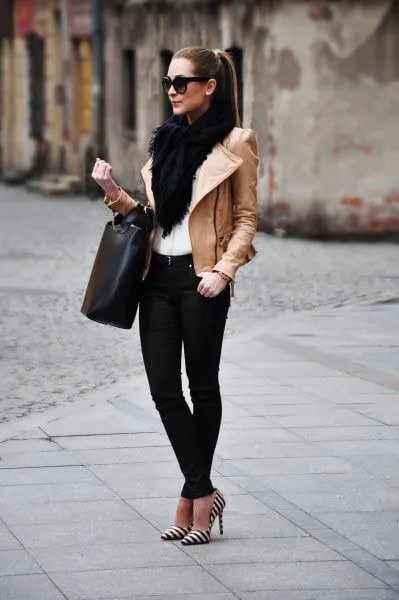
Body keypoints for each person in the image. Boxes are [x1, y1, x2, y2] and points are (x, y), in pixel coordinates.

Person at [91, 46, 258, 545]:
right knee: (165, 389)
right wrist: (115, 193)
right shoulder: (164, 142)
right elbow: (154, 217)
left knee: (202, 387)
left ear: (209, 86)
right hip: (155, 280)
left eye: (181, 82)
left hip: (202, 279)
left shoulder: (237, 143)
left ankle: (191, 501)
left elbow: (248, 218)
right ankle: (204, 488)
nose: (172, 91)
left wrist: (225, 271)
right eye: (168, 82)